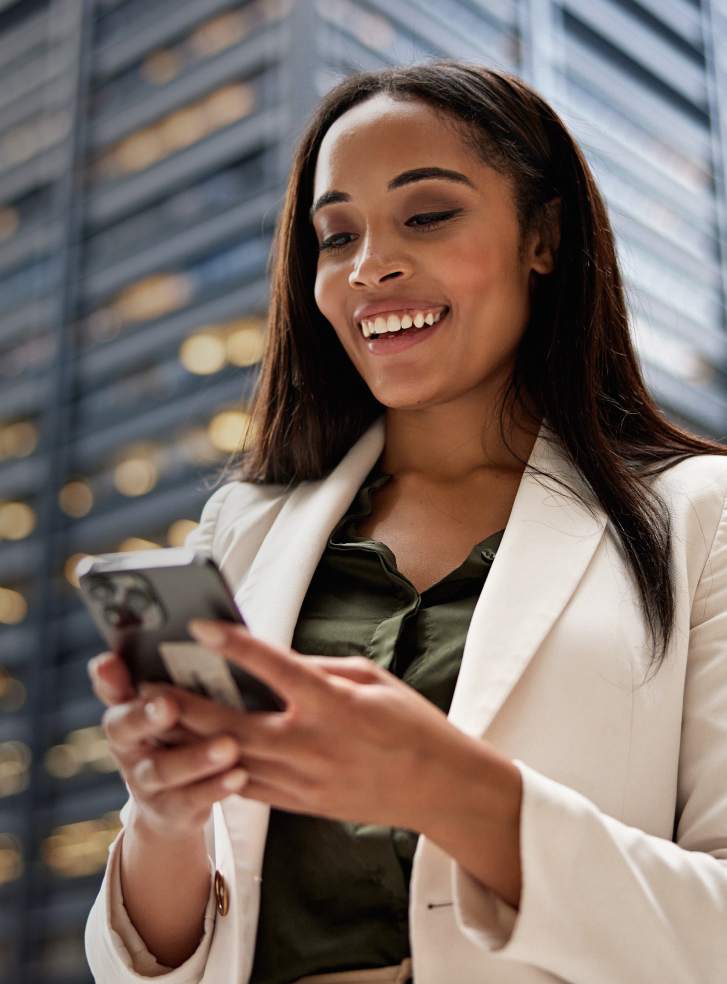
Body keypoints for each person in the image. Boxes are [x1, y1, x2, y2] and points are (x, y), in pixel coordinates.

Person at [85, 62, 727, 984]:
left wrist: (451, 791)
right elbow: (145, 964)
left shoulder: (699, 516)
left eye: (426, 215)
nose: (367, 266)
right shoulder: (240, 530)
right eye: (334, 234)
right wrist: (163, 817)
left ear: (542, 236)